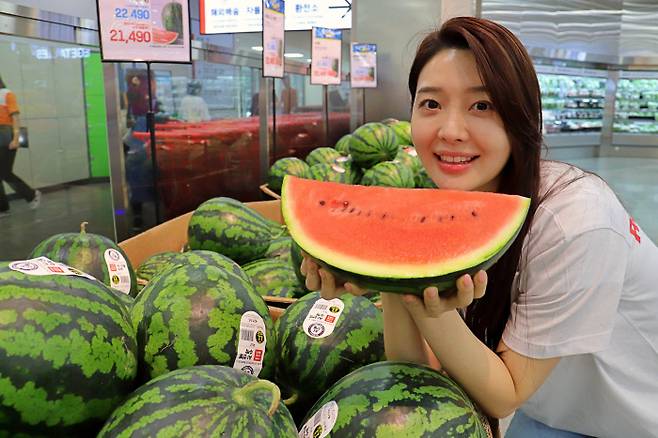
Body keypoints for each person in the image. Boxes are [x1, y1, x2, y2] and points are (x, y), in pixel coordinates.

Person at [300, 16, 658, 438]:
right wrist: (388, 269)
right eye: (431, 104)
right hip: (547, 405)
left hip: (625, 418)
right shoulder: (452, 201)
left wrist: (414, 284)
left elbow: (505, 393)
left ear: (521, 117)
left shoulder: (577, 223)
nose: (450, 131)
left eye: (482, 106)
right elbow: (418, 373)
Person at [0, 75, 40, 217]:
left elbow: (15, 117)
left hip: (6, 135)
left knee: (5, 171)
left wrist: (16, 138)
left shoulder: (6, 94)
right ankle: (3, 208)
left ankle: (31, 194)